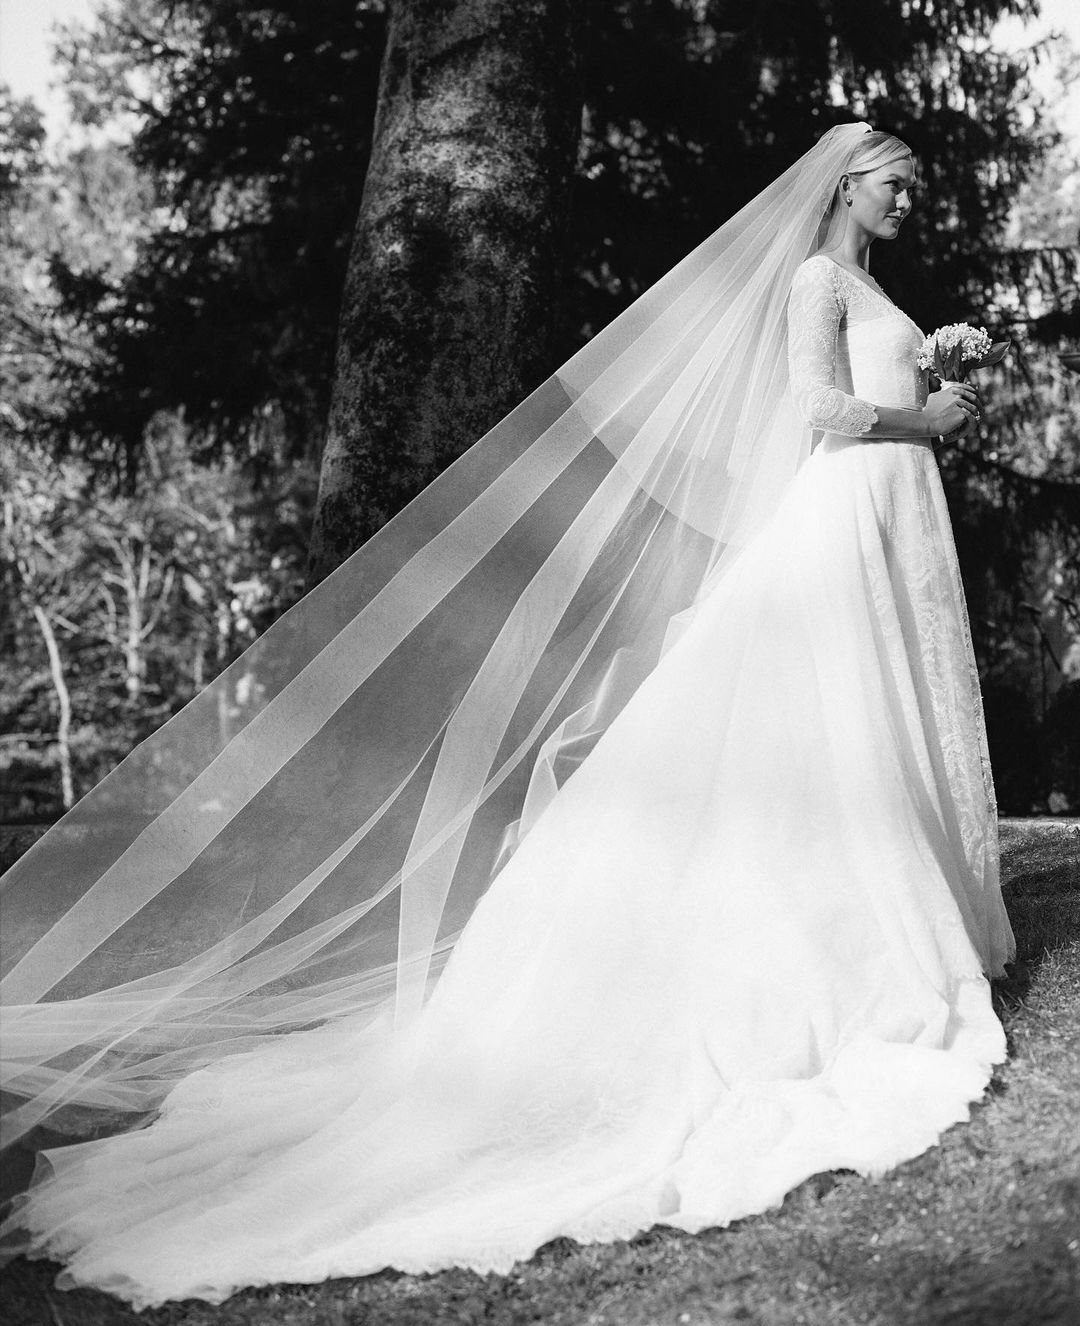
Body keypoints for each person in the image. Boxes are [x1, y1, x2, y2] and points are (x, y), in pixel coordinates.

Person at [0, 122, 1014, 1307]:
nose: (909, 201)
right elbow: (818, 409)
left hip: (890, 512)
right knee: (830, 711)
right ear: (846, 181)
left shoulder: (873, 287)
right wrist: (924, 420)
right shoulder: (814, 279)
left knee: (880, 705)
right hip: (845, 508)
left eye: (914, 188)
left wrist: (933, 388)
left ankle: (910, 889)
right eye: (897, 184)